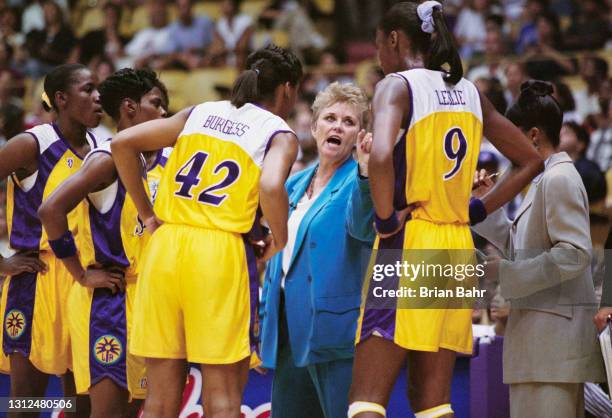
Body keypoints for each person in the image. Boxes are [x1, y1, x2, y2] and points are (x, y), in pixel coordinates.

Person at [347, 2, 543, 418]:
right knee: (434, 403)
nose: (379, 58)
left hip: (411, 240)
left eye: (380, 46)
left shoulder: (397, 85)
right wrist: (475, 210)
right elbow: (530, 159)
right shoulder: (470, 91)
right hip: (456, 248)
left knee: (366, 399)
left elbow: (380, 154)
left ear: (395, 40)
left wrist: (384, 218)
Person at [111, 44, 302, 418]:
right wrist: (279, 237)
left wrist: (149, 215)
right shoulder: (278, 131)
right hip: (217, 253)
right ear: (288, 89)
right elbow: (272, 186)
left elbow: (121, 143)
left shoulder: (200, 112)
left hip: (165, 249)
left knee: (160, 400)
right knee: (224, 396)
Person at [38, 68, 169, 418]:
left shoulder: (147, 159)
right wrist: (80, 274)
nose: (163, 115)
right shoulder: (106, 159)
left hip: (142, 299)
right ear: (129, 107)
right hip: (106, 302)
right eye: (156, 104)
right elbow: (50, 210)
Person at [473, 80, 605, 418]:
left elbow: (575, 253)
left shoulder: (559, 178)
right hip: (538, 344)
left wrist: (505, 272)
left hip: (553, 346)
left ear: (532, 136)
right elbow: (522, 250)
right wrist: (485, 206)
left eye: (509, 138)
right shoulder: (541, 180)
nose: (504, 149)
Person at [259, 82, 375, 418]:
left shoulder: (360, 181)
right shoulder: (293, 183)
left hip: (333, 331)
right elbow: (276, 256)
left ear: (359, 135)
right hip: (286, 330)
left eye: (349, 122)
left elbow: (362, 226)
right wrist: (263, 326)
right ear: (314, 127)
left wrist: (367, 173)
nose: (338, 126)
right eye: (330, 118)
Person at [0, 63, 102, 403]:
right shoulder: (32, 144)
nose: (98, 97)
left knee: (81, 404)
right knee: (27, 402)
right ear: (61, 99)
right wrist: (0, 263)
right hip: (37, 282)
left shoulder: (100, 147)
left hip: (84, 279)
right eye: (88, 90)